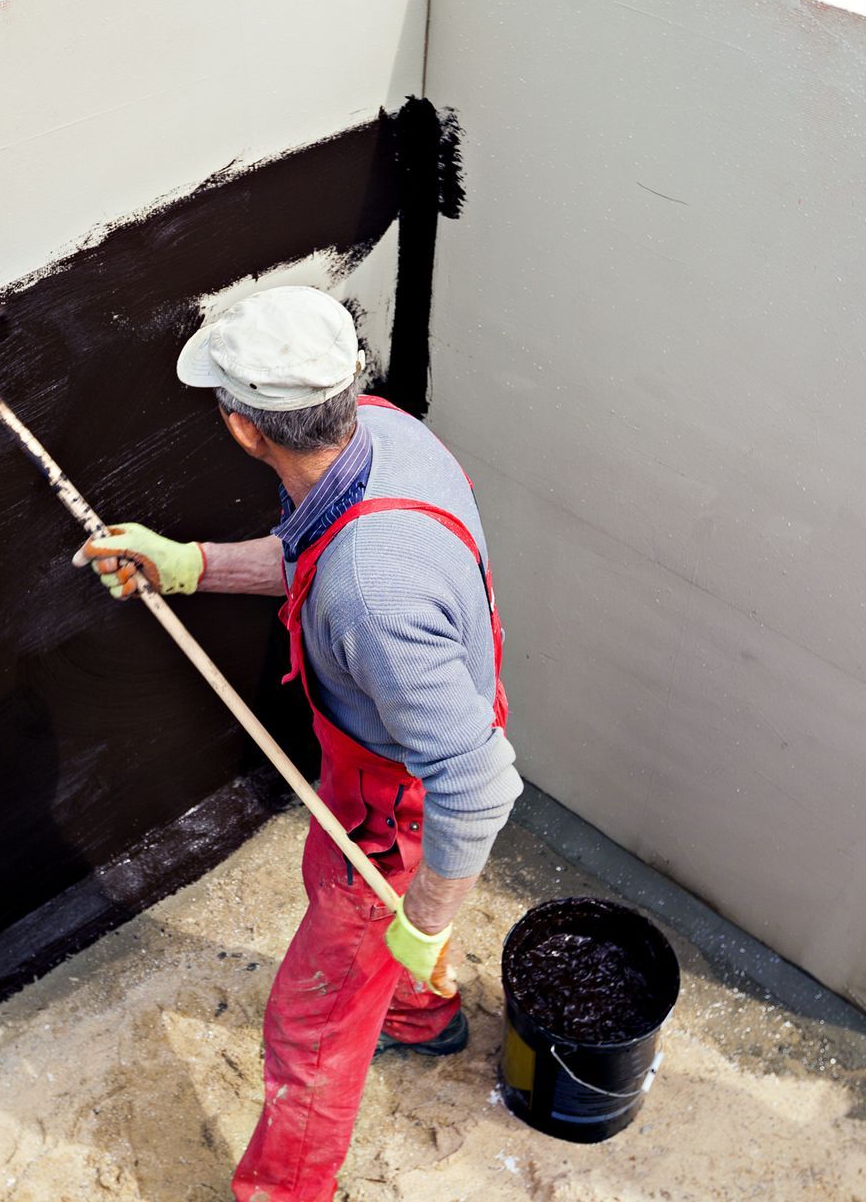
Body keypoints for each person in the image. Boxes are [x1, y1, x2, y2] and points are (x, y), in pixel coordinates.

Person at [71, 285, 521, 1202]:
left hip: (394, 816)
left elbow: (478, 788)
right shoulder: (388, 438)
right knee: (370, 939)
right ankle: (420, 1011)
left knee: (308, 1029)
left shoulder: (374, 598)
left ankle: (285, 1192)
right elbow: (324, 553)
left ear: (244, 429)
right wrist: (189, 563)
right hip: (397, 761)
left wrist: (426, 919)